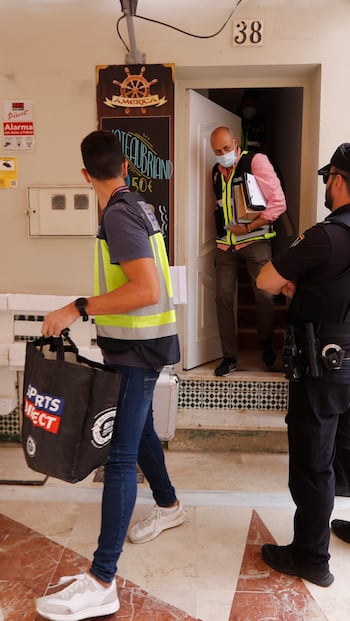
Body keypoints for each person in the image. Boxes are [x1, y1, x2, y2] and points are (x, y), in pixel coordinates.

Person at [35, 130, 185, 620]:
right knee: (139, 431)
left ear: (84, 175)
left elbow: (145, 288)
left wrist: (78, 307)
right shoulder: (138, 205)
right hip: (140, 345)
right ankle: (169, 505)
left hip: (139, 349)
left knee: (118, 459)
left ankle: (102, 580)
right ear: (125, 165)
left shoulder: (118, 215)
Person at [256, 142, 350, 587]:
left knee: (313, 464)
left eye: (326, 179)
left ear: (337, 180)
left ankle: (311, 556)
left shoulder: (327, 234)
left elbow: (265, 280)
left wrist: (290, 289)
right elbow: (348, 293)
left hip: (322, 369)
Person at [210, 126, 286, 376]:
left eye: (226, 148)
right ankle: (229, 357)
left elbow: (278, 204)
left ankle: (266, 344)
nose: (223, 154)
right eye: (217, 151)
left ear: (235, 142)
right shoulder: (216, 172)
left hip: (256, 241)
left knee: (264, 295)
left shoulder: (256, 161)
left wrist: (250, 227)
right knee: (222, 297)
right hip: (225, 245)